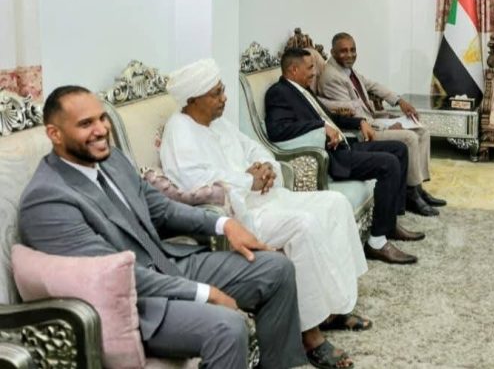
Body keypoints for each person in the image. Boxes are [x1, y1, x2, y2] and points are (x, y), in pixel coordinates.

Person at [19, 86, 306, 368]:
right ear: (55, 134)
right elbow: (115, 275)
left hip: (168, 263)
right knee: (227, 326)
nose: (101, 129)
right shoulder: (48, 199)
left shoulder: (112, 159)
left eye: (102, 118)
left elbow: (162, 209)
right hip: (137, 303)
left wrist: (224, 223)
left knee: (277, 269)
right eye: (86, 124)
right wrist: (204, 293)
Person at [160, 59, 370, 369]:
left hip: (266, 197)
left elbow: (254, 149)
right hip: (239, 215)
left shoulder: (218, 123)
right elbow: (196, 184)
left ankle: (333, 309)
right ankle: (309, 334)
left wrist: (267, 168)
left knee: (335, 204)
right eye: (216, 94)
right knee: (303, 225)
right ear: (193, 99)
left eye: (223, 90)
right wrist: (248, 180)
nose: (224, 98)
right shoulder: (179, 131)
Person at [265, 47, 425, 265]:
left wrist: (360, 122)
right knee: (388, 164)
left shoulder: (304, 90)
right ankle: (377, 243)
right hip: (331, 156)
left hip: (344, 145)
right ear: (293, 69)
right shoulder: (279, 93)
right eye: (310, 68)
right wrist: (320, 128)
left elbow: (331, 118)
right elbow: (277, 130)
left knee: (399, 149)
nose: (314, 72)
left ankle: (389, 224)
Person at [317, 32, 445, 217]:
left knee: (422, 131)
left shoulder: (346, 70)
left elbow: (372, 85)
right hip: (362, 131)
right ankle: (410, 194)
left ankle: (418, 187)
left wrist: (400, 101)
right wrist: (386, 126)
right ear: (333, 52)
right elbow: (354, 115)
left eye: (353, 50)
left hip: (372, 120)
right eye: (344, 51)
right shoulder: (331, 77)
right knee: (409, 137)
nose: (350, 54)